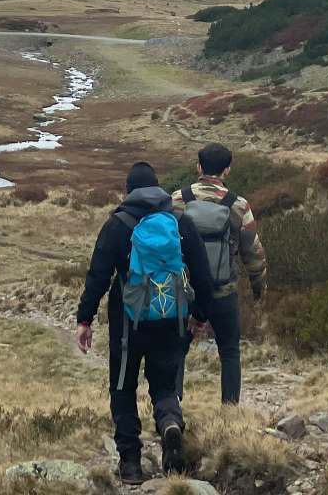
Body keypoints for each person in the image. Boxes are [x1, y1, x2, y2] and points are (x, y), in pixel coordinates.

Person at [77, 162, 214, 483]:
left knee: (123, 388)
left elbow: (98, 275)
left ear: (129, 191)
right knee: (165, 385)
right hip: (172, 318)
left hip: (128, 325)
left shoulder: (118, 224)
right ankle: (169, 426)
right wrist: (200, 315)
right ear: (159, 189)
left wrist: (84, 318)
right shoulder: (180, 222)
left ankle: (130, 463)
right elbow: (203, 276)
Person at [171, 142, 267, 406]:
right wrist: (259, 287)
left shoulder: (177, 200)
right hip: (223, 290)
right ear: (228, 169)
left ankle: (173, 409)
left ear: (199, 166)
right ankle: (229, 410)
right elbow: (253, 252)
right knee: (230, 351)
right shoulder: (239, 206)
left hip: (185, 290)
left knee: (177, 349)